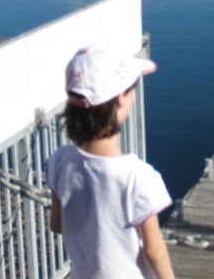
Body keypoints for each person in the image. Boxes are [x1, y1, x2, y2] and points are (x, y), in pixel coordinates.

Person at [46, 46, 175, 279]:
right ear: (120, 100)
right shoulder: (138, 176)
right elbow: (154, 251)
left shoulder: (59, 160)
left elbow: (57, 224)